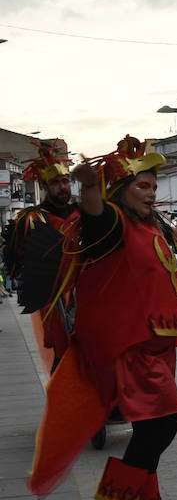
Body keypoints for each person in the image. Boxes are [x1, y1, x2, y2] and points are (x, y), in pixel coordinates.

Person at [28, 136, 177, 500]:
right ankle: (115, 499)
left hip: (159, 342)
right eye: (143, 186)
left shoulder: (149, 223)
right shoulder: (112, 222)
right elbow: (94, 214)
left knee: (149, 425)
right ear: (120, 191)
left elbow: (169, 240)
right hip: (132, 345)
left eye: (154, 186)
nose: (152, 192)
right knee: (166, 420)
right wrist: (89, 186)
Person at [3, 139, 79, 364]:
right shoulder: (32, 219)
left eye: (65, 181)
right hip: (52, 298)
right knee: (63, 356)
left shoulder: (84, 215)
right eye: (56, 182)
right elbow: (17, 261)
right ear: (44, 186)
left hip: (88, 293)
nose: (62, 187)